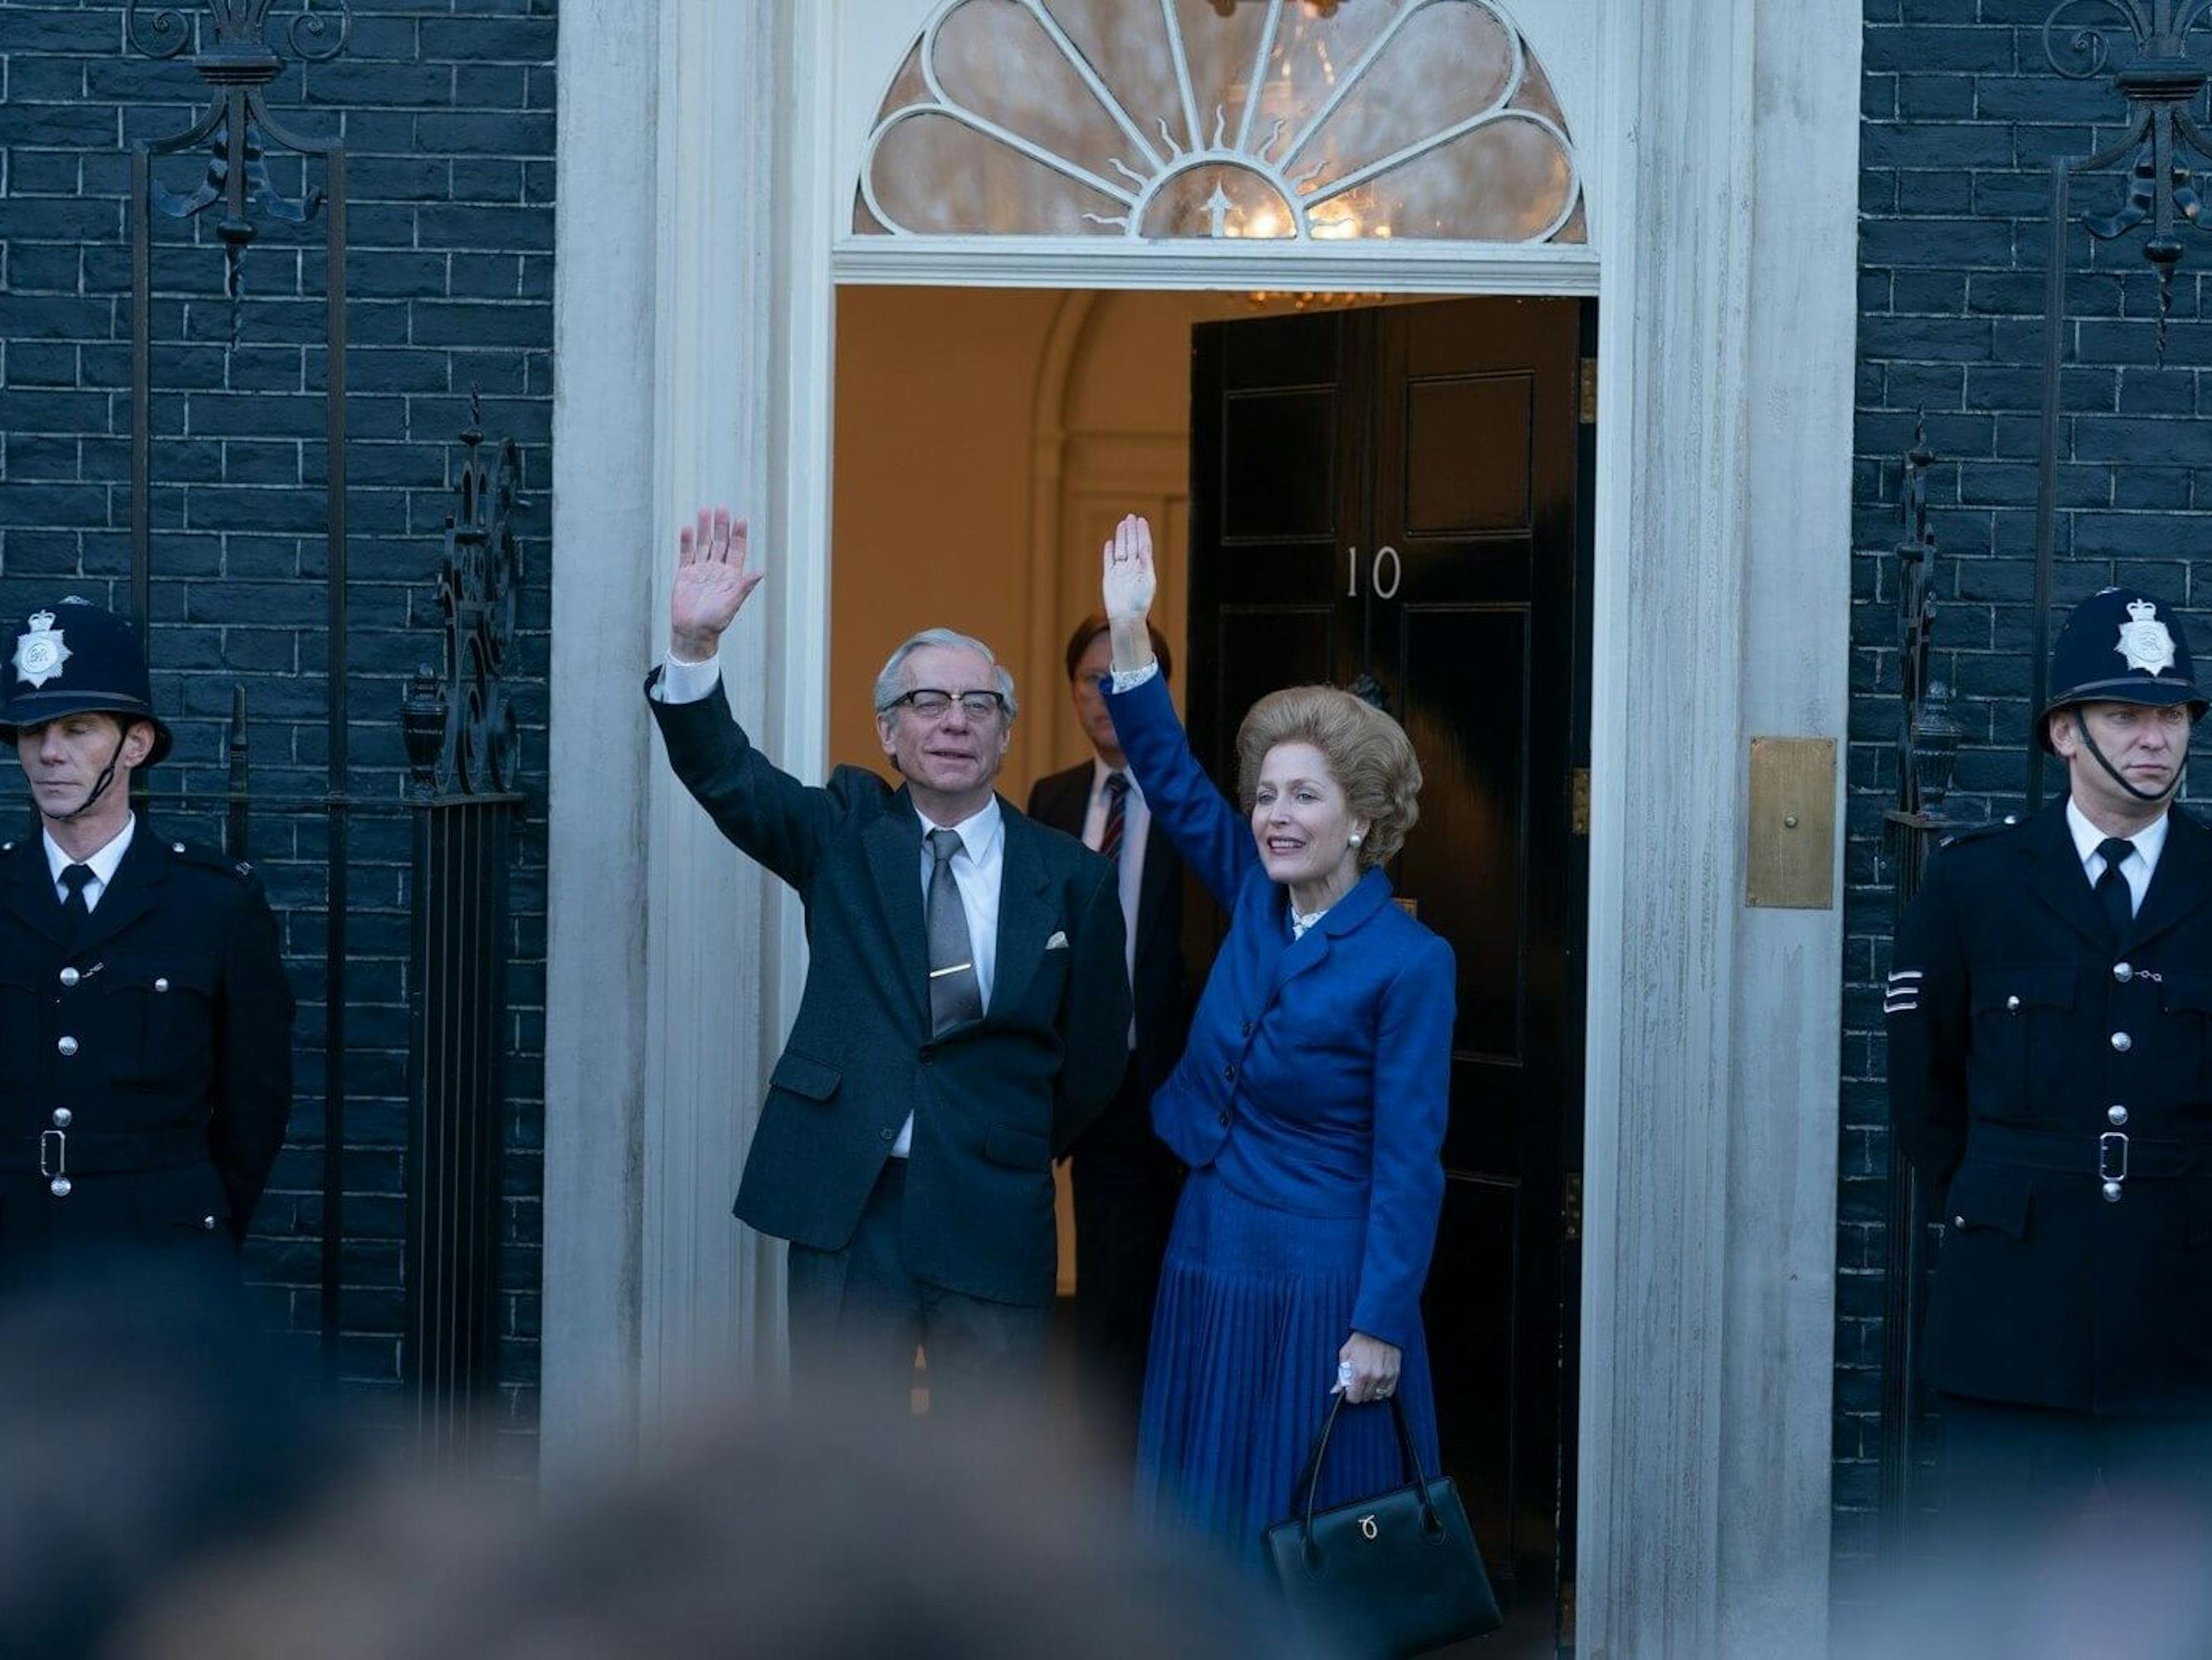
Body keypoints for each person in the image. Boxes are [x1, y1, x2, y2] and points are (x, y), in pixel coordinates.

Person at [643, 508, 1131, 1413]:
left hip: (990, 1200)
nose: (953, 720)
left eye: (977, 703)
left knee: (983, 1474)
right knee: (837, 1461)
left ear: (1005, 733)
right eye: (926, 702)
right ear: (887, 733)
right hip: (849, 1201)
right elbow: (726, 775)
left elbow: (1095, 1056)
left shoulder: (1069, 877)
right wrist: (693, 642)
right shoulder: (842, 832)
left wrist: (1000, 1127)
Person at [1095, 515, 1455, 1563]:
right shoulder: (1254, 892)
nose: (1274, 814)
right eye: (1265, 794)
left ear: (1361, 817)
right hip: (1211, 1244)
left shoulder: (1407, 960)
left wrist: (1380, 1319)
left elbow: (1408, 1159)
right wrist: (1130, 632)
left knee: (1304, 1524)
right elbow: (1165, 768)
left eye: (1305, 794)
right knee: (1202, 1507)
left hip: (1319, 1277)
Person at [1888, 586, 2212, 1616]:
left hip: (2182, 1325)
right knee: (1997, 1603)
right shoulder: (1974, 884)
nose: (2154, 740)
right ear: (2064, 733)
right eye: (2126, 715)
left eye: (2171, 716)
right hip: (2012, 1321)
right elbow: (1922, 1094)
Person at [0, 597, 293, 1302]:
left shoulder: (215, 904)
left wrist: (194, 1233)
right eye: (32, 730)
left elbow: (254, 1109)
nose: (50, 753)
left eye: (78, 728)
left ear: (134, 745)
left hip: (157, 1266)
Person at [1027, 613, 1190, 1459]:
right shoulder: (1051, 799)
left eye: (1122, 674)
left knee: (1178, 1292)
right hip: (1092, 1085)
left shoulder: (1200, 803)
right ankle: (1105, 1475)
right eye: (1090, 676)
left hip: (1184, 1083)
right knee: (1102, 1294)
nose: (1103, 693)